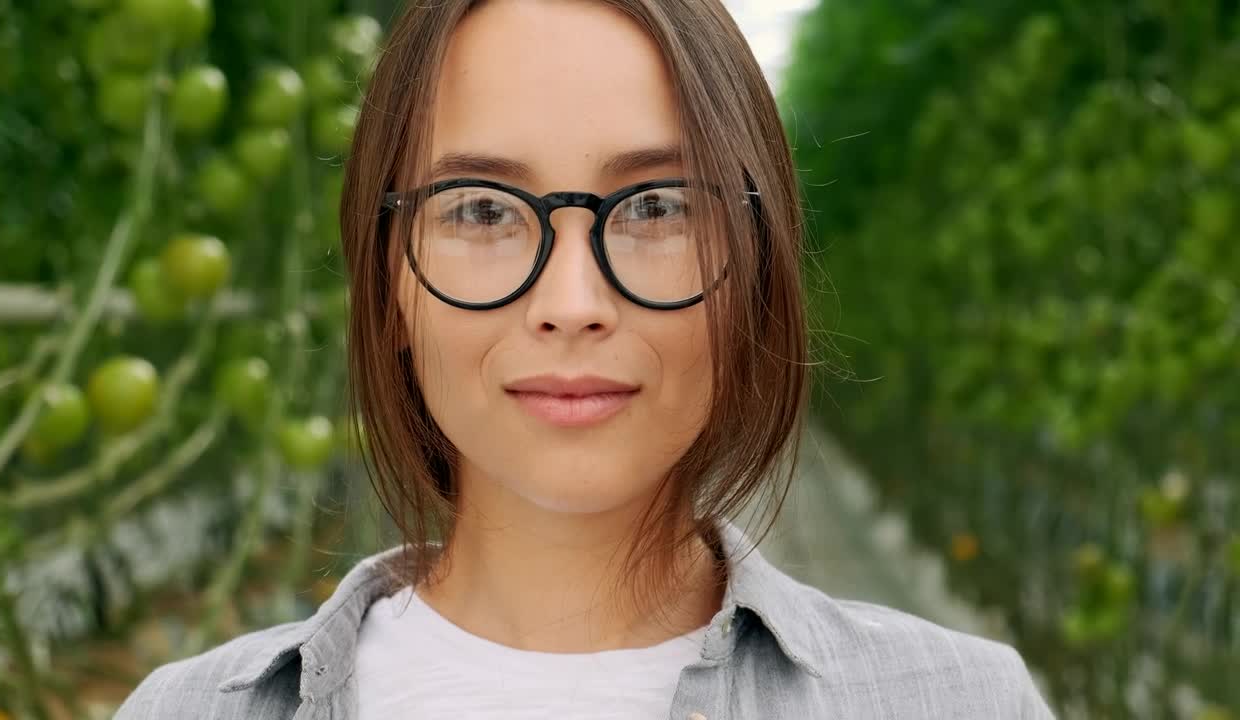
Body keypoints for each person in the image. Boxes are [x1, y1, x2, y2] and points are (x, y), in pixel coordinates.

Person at [116, 0, 1055, 717]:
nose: (571, 306)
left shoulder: (960, 701)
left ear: (753, 274)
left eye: (656, 208)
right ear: (388, 282)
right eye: (482, 210)